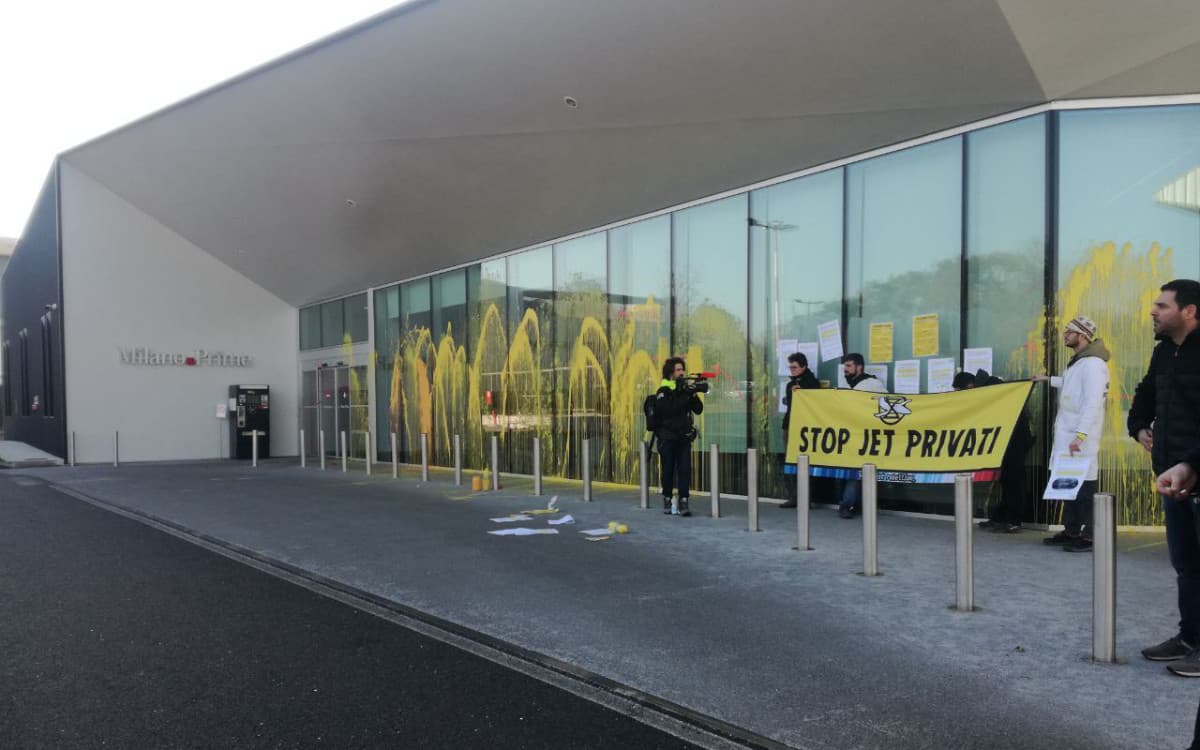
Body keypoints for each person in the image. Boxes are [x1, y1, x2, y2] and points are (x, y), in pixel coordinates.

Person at [1128, 279, 1200, 677]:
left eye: (1162, 305)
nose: (1153, 311)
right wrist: (1138, 428)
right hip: (1173, 479)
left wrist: (1192, 461)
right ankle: (1190, 637)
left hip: (1193, 472)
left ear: (1188, 311)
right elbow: (1143, 396)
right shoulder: (1163, 352)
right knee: (1187, 565)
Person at [1032, 315, 1110, 552]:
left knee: (1085, 485)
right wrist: (1047, 379)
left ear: (1083, 335)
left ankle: (1090, 536)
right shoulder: (1079, 362)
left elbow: (1092, 403)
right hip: (1070, 436)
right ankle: (1072, 529)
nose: (1065, 335)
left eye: (1070, 331)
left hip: (1080, 438)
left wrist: (1081, 435)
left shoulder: (1094, 365)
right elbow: (1070, 383)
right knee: (1070, 483)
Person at [975, 370, 1034, 534]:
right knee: (1006, 481)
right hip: (1011, 440)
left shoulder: (995, 391)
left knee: (1013, 481)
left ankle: (1014, 519)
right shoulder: (996, 389)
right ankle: (1002, 516)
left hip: (1015, 441)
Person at [654, 357, 704, 517]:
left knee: (685, 470)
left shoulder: (685, 390)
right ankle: (667, 498)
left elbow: (698, 409)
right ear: (670, 372)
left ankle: (684, 500)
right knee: (668, 470)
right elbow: (670, 410)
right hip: (667, 438)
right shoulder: (663, 391)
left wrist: (693, 394)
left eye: (682, 369)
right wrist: (684, 394)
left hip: (683, 438)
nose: (681, 372)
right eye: (678, 370)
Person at [837, 353, 885, 518]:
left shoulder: (873, 384)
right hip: (848, 434)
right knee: (853, 471)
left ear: (860, 367)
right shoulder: (845, 384)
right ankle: (852, 505)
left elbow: (885, 406)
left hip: (866, 434)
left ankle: (848, 505)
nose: (846, 369)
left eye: (849, 366)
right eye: (845, 366)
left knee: (857, 472)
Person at [780, 351, 820, 509]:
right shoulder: (791, 384)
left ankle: (805, 497)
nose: (792, 370)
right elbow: (790, 404)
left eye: (795, 367)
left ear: (803, 367)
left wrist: (802, 389)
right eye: (790, 368)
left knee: (804, 463)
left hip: (804, 428)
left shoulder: (812, 383)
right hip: (790, 425)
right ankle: (794, 496)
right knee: (791, 462)